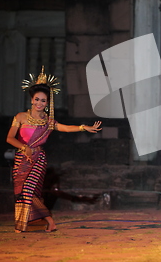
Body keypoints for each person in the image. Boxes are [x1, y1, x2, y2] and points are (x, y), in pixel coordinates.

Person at [6, 67, 102, 233]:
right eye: (37, 99)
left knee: (28, 189)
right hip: (22, 158)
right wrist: (23, 147)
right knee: (22, 192)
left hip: (38, 159)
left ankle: (45, 221)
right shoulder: (20, 117)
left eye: (43, 100)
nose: (39, 103)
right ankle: (37, 222)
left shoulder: (48, 122)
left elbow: (65, 128)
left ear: (47, 103)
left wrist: (83, 127)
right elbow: (9, 138)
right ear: (31, 100)